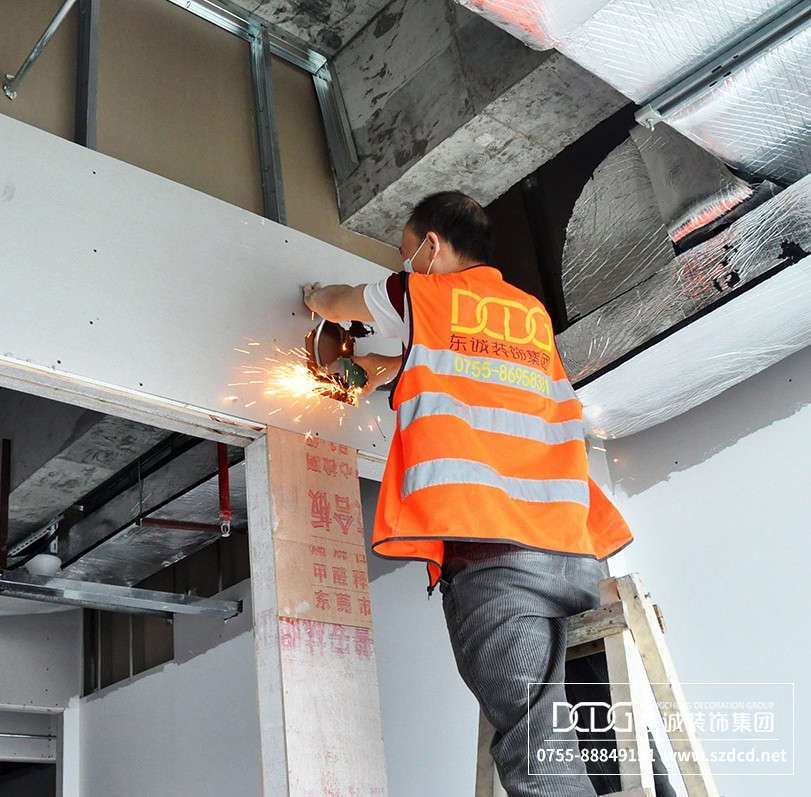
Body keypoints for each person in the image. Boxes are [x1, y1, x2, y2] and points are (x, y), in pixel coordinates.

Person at [302, 191, 675, 796]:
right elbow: (472, 363)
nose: (405, 266)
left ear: (431, 247)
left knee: (542, 751)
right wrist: (382, 368)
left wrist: (313, 298)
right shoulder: (529, 314)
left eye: (406, 253)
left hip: (493, 559)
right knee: (611, 741)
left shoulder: (418, 293)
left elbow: (337, 302)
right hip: (572, 553)